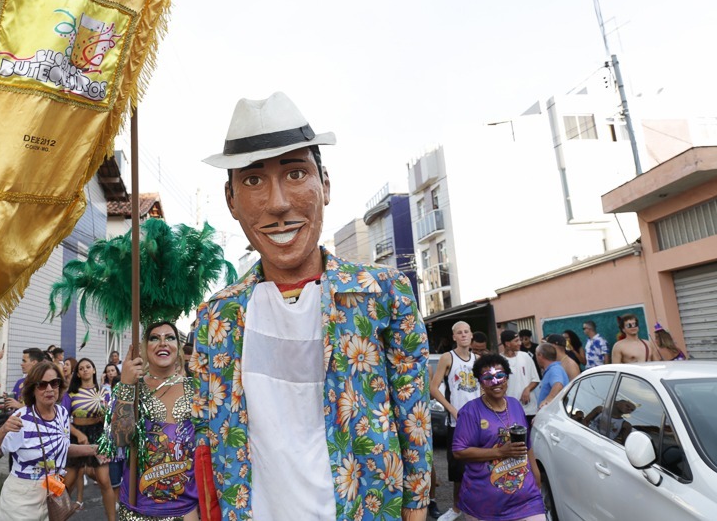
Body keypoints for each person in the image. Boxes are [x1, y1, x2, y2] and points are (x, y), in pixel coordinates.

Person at [194, 92, 431, 520]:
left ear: (325, 185)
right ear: (230, 200)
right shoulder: (217, 318)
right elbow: (209, 438)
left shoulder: (384, 295)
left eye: (296, 173)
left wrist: (415, 512)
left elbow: (414, 421)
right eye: (252, 181)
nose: (279, 202)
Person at [0, 360, 98, 521]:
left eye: (54, 383)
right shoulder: (22, 418)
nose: (49, 389)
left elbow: (62, 447)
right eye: (42, 385)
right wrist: (3, 430)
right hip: (22, 499)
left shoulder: (62, 414)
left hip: (53, 494)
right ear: (33, 389)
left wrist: (94, 449)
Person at [110, 321, 198, 521]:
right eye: (154, 338)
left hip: (185, 509)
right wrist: (125, 385)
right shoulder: (131, 388)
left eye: (170, 337)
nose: (163, 343)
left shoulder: (198, 389)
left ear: (178, 346)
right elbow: (120, 440)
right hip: (137, 510)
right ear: (144, 348)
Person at [451, 353, 547, 521]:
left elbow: (527, 444)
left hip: (526, 499)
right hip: (485, 504)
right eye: (488, 377)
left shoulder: (515, 405)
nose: (496, 382)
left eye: (500, 376)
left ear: (507, 378)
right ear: (480, 382)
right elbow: (459, 451)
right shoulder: (470, 411)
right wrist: (501, 452)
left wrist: (536, 475)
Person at [431, 321, 478, 521]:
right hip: (456, 422)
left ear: (471, 335)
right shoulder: (447, 358)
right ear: (454, 337)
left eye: (466, 331)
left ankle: (479, 505)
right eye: (459, 332)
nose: (464, 335)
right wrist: (451, 409)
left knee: (481, 465)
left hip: (478, 422)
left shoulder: (479, 359)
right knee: (458, 470)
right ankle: (456, 508)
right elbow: (433, 388)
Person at [67, 358, 115, 519]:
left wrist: (107, 415)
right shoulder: (71, 393)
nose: (85, 370)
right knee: (68, 482)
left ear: (94, 370)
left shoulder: (104, 392)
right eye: (81, 368)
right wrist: (78, 434)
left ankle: (112, 518)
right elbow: (63, 420)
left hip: (98, 434)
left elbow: (111, 417)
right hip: (76, 435)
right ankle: (57, 515)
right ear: (78, 374)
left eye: (88, 367)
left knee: (104, 481)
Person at [500, 330, 540, 425]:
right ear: (507, 344)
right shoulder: (499, 360)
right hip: (509, 409)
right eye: (516, 341)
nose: (520, 343)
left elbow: (535, 379)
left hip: (529, 408)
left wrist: (527, 389)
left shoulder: (525, 356)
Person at [100, 362, 122, 490]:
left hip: (126, 448)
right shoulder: (108, 402)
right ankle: (115, 505)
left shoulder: (133, 404)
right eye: (116, 388)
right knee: (114, 481)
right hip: (113, 447)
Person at [535, 344, 569, 409]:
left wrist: (548, 400)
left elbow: (558, 385)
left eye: (536, 354)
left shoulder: (555, 369)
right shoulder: (552, 369)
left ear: (540, 355)